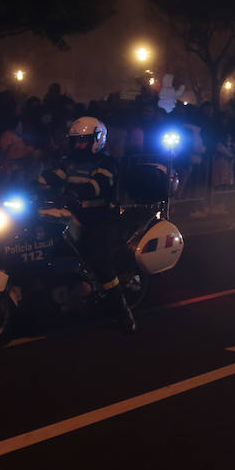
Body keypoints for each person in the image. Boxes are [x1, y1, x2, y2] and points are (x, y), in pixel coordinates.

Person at [39, 116, 135, 333]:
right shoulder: (70, 162)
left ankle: (122, 312)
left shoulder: (107, 163)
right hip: (73, 216)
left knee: (97, 260)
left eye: (84, 140)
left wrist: (74, 194)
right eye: (76, 141)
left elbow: (97, 185)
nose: (79, 145)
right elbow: (52, 176)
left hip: (102, 220)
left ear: (97, 140)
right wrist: (26, 183)